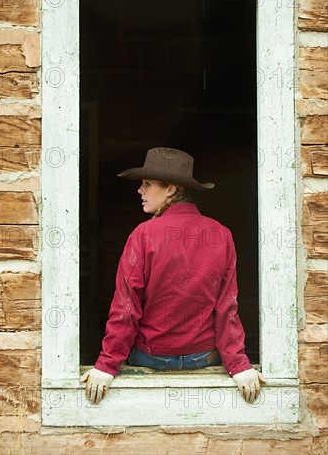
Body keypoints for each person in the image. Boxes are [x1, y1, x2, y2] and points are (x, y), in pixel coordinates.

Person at [80, 147, 265, 404]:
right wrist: (239, 365)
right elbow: (226, 308)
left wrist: (107, 365)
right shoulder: (221, 234)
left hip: (151, 359)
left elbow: (126, 307)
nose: (140, 190)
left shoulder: (143, 235)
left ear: (171, 189)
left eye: (147, 184)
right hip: (204, 358)